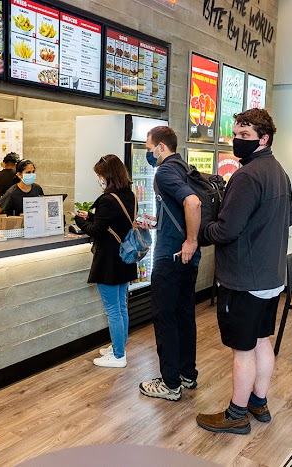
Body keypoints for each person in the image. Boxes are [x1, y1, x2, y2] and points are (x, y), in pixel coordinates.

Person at [196, 108, 292, 435]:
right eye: (235, 135)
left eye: (244, 136)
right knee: (261, 341)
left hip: (244, 278)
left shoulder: (247, 176)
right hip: (271, 277)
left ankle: (236, 413)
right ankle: (259, 401)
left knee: (243, 348)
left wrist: (202, 228)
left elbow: (225, 231)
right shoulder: (279, 171)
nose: (237, 141)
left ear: (263, 138)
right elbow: (289, 217)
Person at [137, 126, 201, 401]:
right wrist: (157, 221)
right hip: (187, 259)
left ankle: (170, 384)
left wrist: (191, 240)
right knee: (185, 316)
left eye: (149, 148)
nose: (148, 154)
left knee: (165, 319)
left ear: (161, 147)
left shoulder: (164, 171)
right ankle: (187, 374)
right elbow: (179, 208)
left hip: (171, 257)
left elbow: (193, 202)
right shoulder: (183, 166)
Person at [74, 155, 136, 368]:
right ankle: (119, 346)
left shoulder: (108, 200)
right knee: (121, 306)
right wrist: (92, 217)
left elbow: (96, 231)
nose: (98, 179)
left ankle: (118, 355)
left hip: (109, 260)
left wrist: (81, 221)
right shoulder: (129, 195)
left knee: (112, 309)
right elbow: (111, 223)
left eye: (100, 175)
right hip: (125, 258)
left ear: (108, 176)